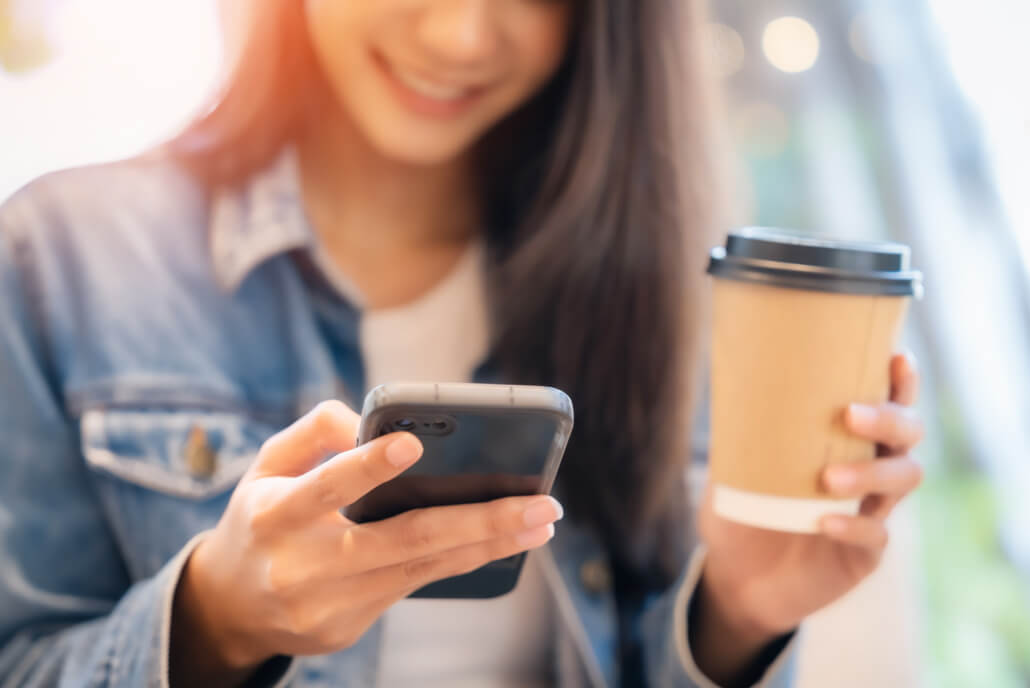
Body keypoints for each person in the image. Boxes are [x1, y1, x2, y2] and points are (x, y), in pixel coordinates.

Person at [0, 1, 925, 686]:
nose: (460, 36)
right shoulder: (63, 258)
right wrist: (212, 622)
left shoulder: (656, 287)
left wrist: (737, 617)